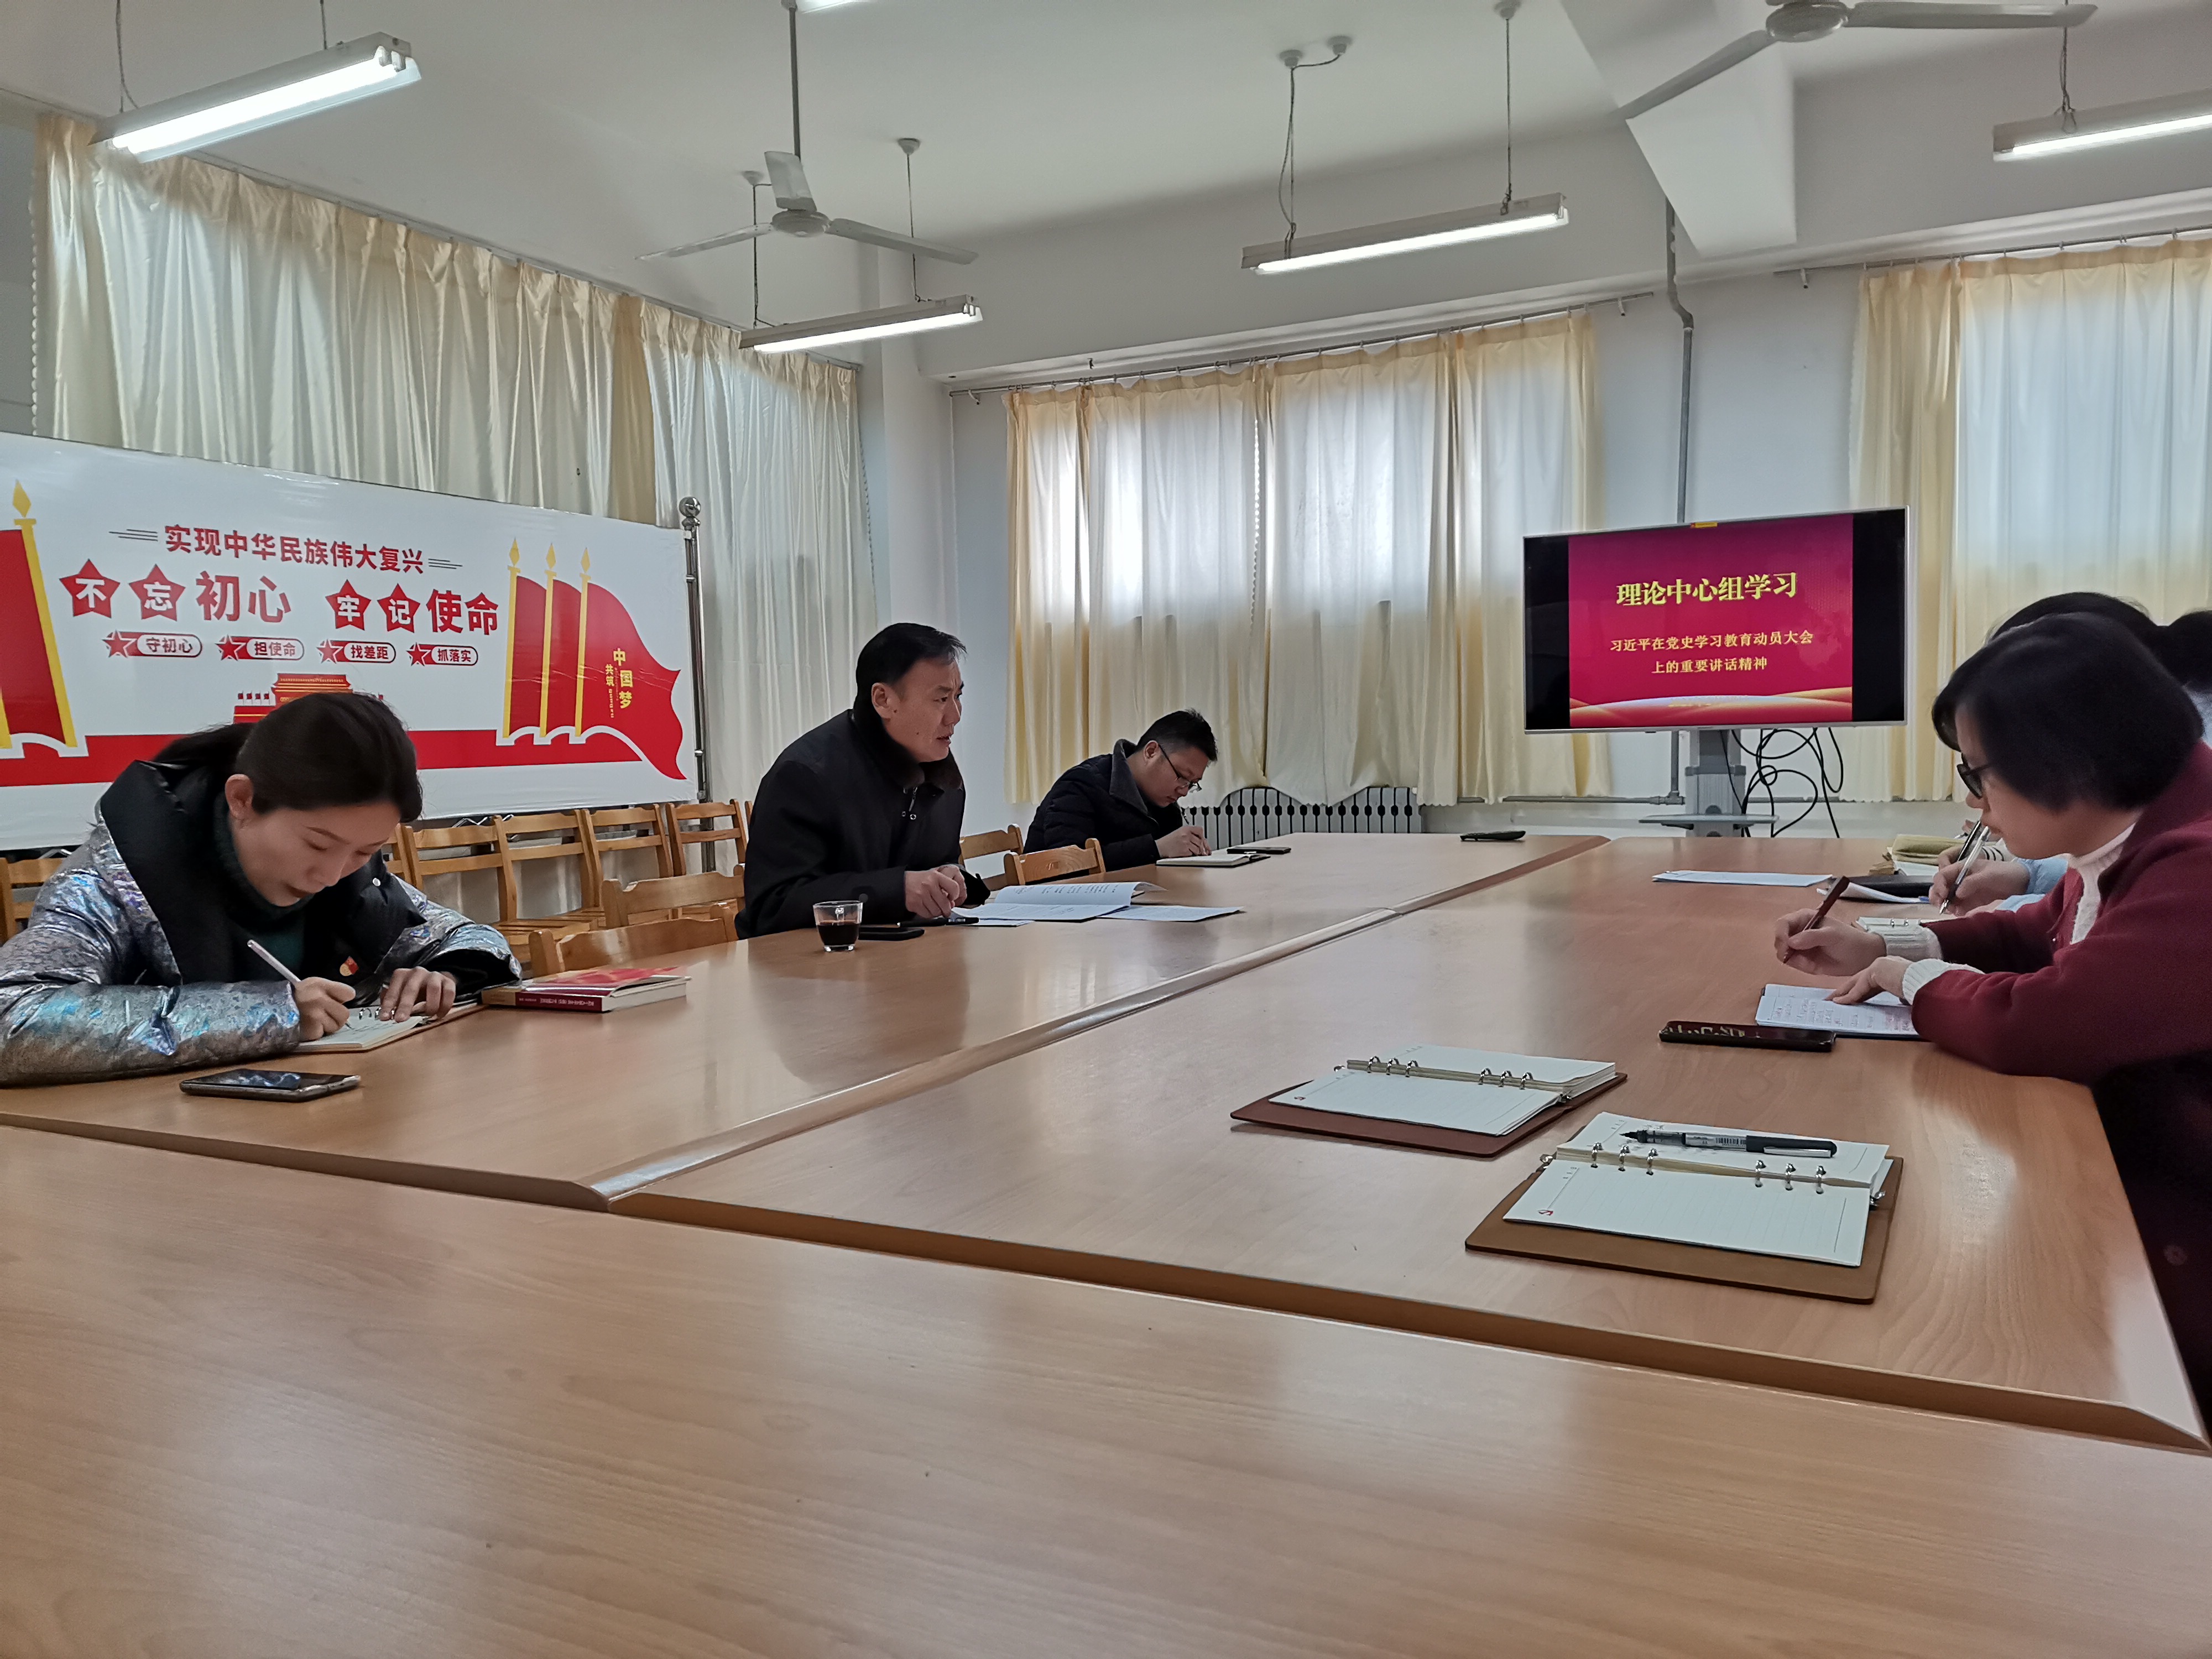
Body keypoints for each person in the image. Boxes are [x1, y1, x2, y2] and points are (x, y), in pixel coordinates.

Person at [1772, 614, 2212, 1403]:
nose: (1974, 803)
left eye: (1979, 774)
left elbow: (2045, 1022)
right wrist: (1875, 944)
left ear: (2070, 759)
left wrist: (1907, 980)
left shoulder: (2199, 864)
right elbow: (2040, 931)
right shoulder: (2139, 825)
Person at [0, 693, 519, 1086]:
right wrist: (272, 1014)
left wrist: (444, 974)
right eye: (317, 844)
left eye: (366, 851)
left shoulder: (356, 883)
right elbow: (14, 1018)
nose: (332, 875)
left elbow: (467, 936)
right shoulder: (117, 879)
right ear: (243, 800)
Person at [1932, 593, 2181, 912]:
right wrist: (2023, 877)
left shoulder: (2184, 867)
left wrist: (2008, 906)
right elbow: (2089, 886)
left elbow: (2100, 915)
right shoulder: (2130, 826)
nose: (1974, 800)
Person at [738, 623, 989, 938]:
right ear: (883, 700)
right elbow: (774, 907)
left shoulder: (943, 779)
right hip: (810, 962)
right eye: (941, 699)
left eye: (957, 696)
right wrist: (897, 890)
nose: (955, 716)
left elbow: (934, 865)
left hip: (905, 955)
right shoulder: (806, 775)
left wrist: (948, 876)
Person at [1024, 710, 1218, 872]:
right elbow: (1067, 865)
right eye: (1181, 776)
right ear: (1151, 752)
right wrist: (1156, 848)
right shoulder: (1081, 784)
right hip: (1050, 902)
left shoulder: (1163, 804)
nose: (1184, 791)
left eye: (1192, 784)